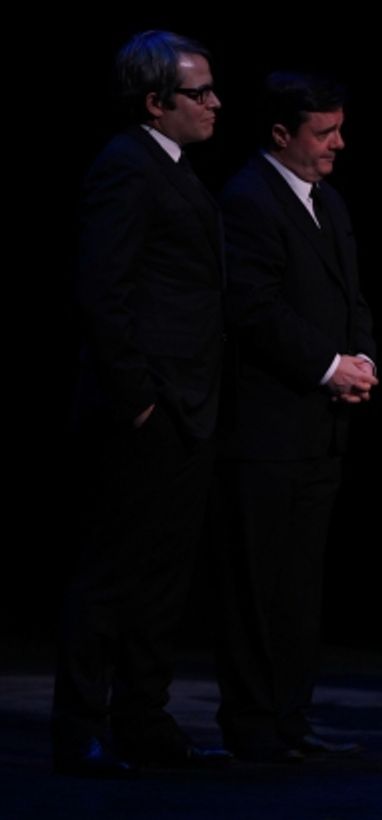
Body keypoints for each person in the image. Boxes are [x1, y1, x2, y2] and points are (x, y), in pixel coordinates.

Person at [55, 30, 231, 776]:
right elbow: (103, 289)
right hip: (146, 410)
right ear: (156, 102)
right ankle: (82, 729)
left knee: (162, 580)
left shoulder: (177, 170)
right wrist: (139, 401)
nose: (216, 102)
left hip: (186, 405)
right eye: (200, 92)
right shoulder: (127, 167)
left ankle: (144, 719)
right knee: (113, 575)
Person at [214, 71, 377, 763]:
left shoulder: (328, 203)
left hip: (320, 428)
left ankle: (290, 719)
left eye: (339, 128)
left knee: (300, 585)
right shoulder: (248, 201)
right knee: (258, 584)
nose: (338, 143)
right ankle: (253, 725)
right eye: (324, 132)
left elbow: (350, 296)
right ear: (282, 134)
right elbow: (252, 309)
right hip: (267, 429)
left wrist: (361, 359)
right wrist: (326, 367)